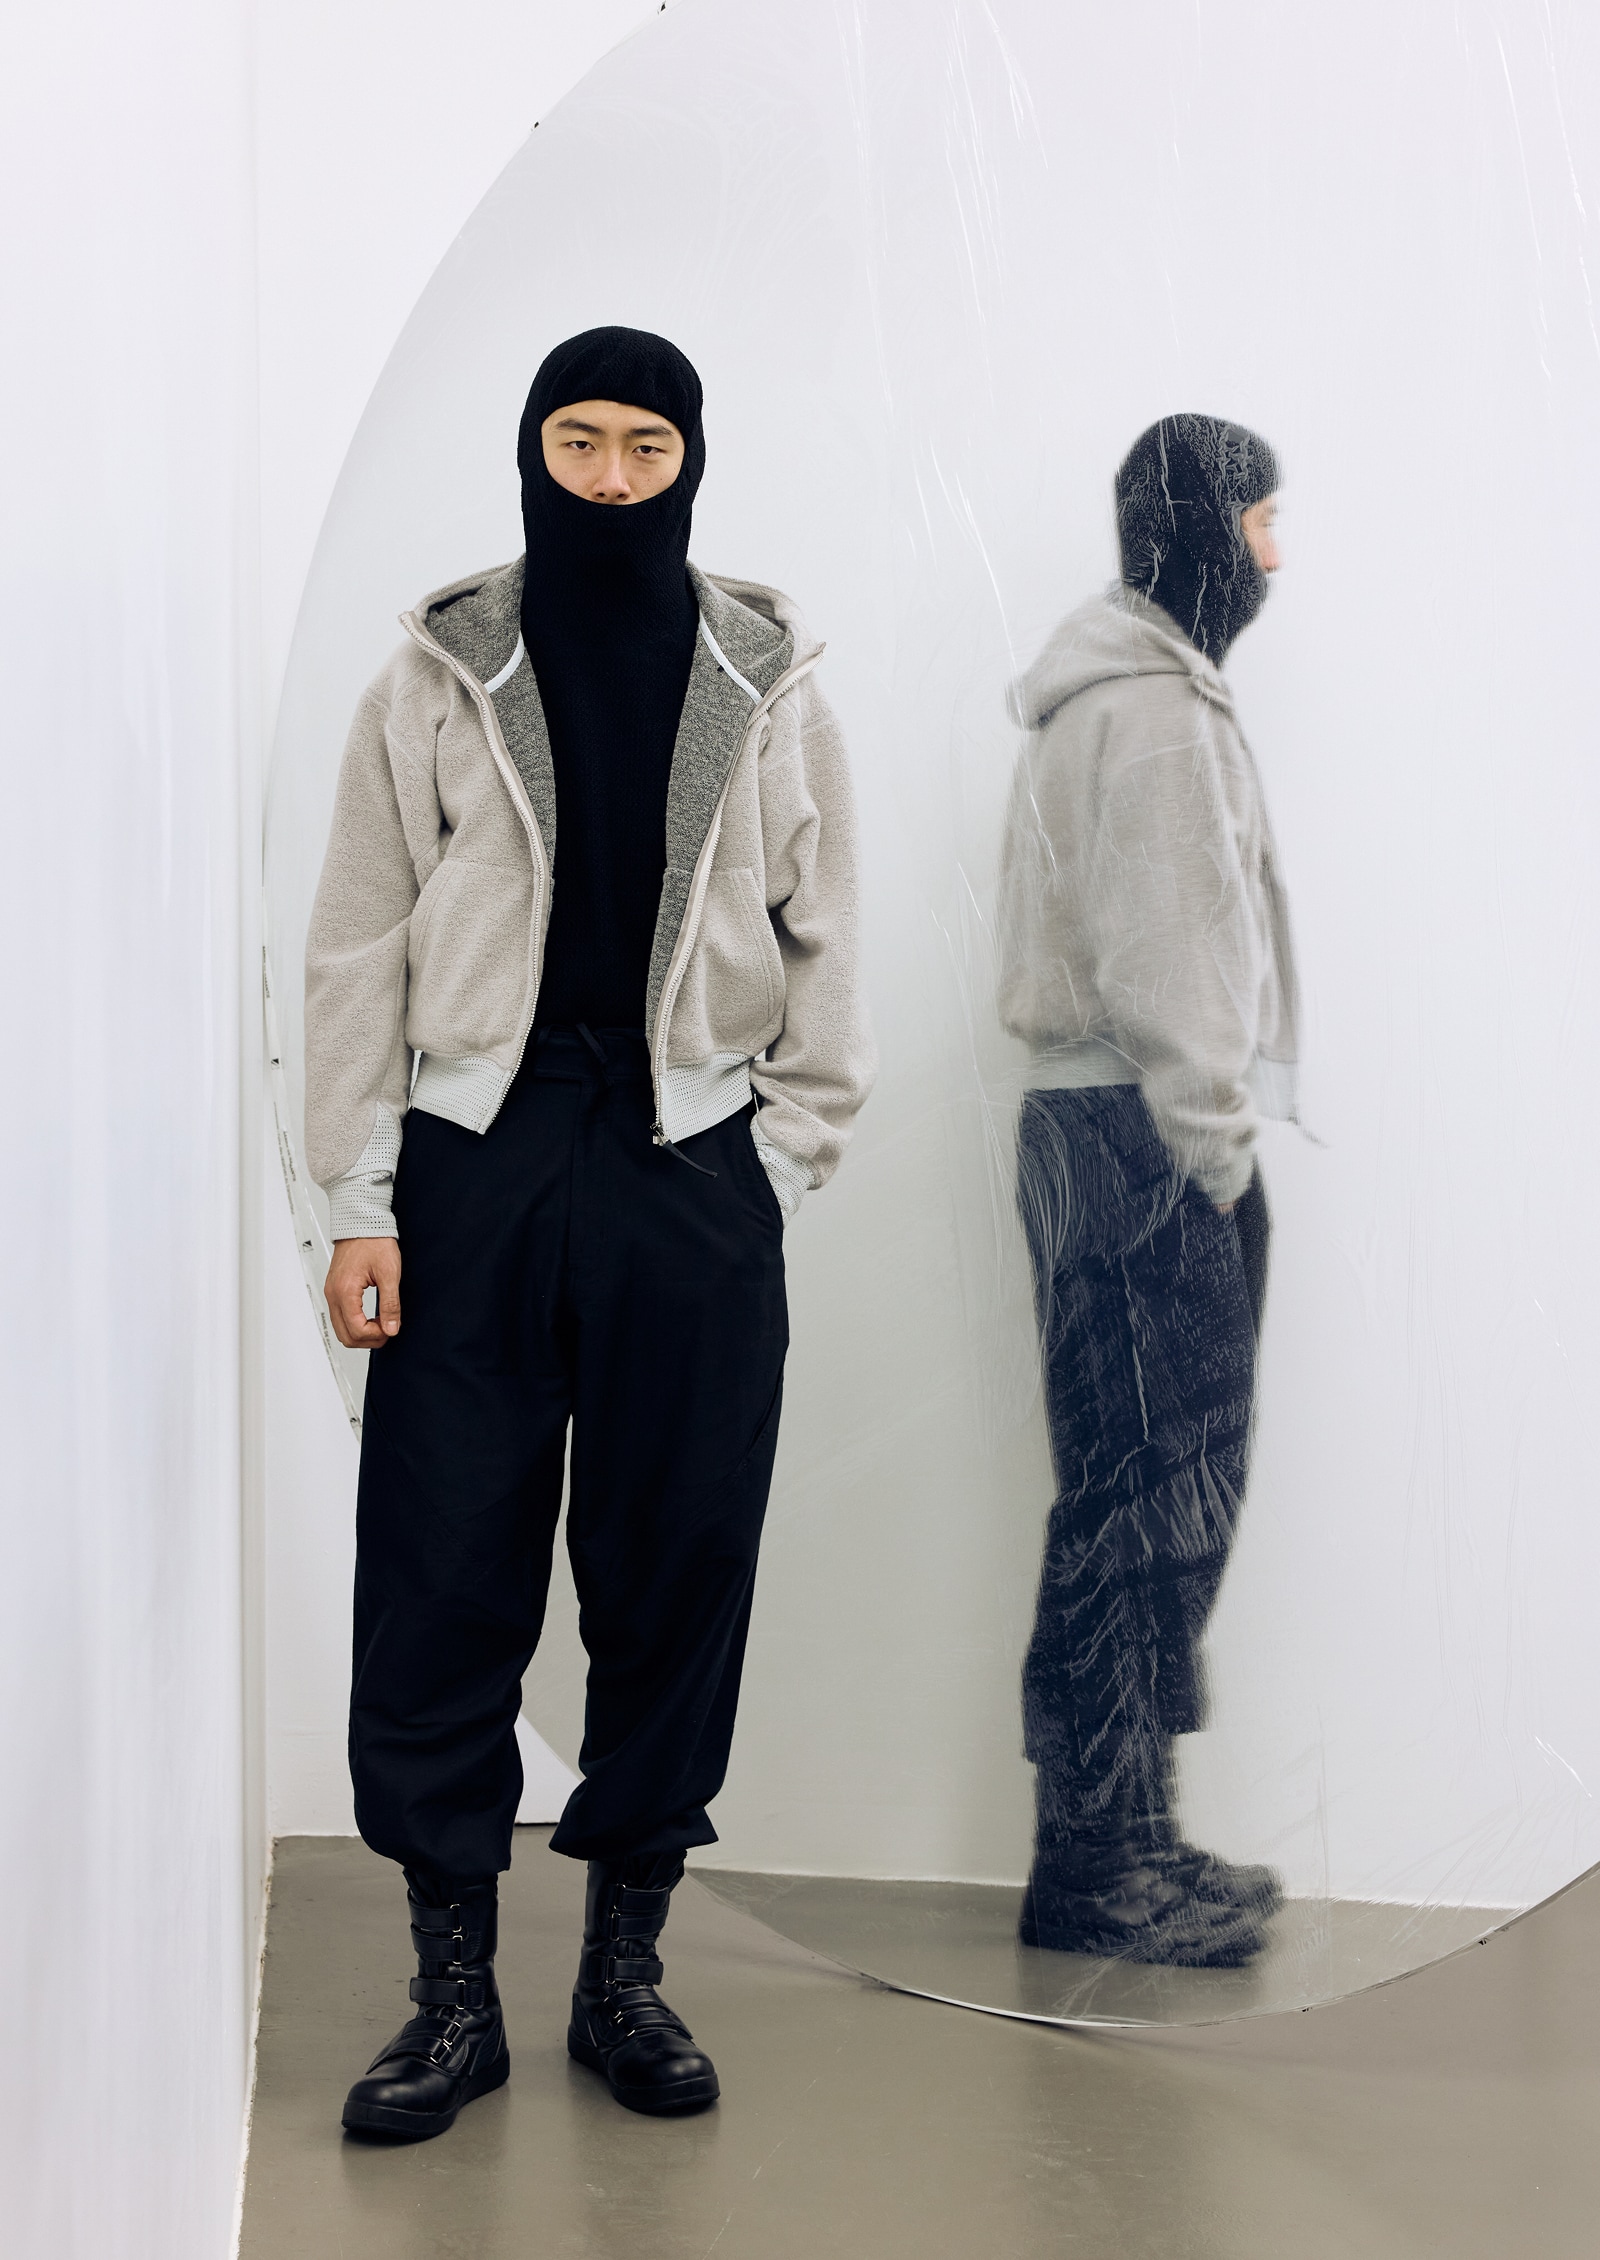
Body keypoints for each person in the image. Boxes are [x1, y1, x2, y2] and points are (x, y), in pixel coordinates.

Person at [303, 326, 873, 2135]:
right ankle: (450, 1995)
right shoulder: (438, 668)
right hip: (474, 1160)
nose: (611, 477)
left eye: (644, 445)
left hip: (687, 1166)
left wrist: (779, 1165)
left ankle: (624, 1974)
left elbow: (829, 941)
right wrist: (355, 1200)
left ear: (688, 459)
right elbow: (354, 942)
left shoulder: (765, 678)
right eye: (579, 441)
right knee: (441, 1563)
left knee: (677, 1564)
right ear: (532, 450)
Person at [996, 414, 1298, 1966]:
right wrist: (1220, 1154)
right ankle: (1104, 1866)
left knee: (1140, 1497)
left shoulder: (1112, 697)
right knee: (1145, 1507)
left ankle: (1123, 1840)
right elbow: (1168, 957)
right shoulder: (1157, 715)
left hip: (1104, 1135)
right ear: (1202, 527)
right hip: (1147, 1141)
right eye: (1261, 521)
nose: (1277, 555)